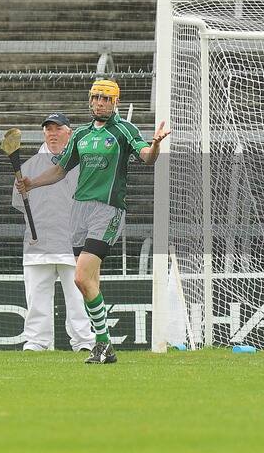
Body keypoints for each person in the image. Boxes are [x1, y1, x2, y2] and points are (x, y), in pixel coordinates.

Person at [15, 80, 170, 364]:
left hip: (107, 210)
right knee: (88, 283)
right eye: (96, 97)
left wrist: (156, 144)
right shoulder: (82, 135)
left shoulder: (124, 130)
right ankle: (103, 346)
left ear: (115, 103)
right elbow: (60, 170)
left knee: (80, 277)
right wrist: (32, 183)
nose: (100, 102)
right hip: (80, 211)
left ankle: (102, 343)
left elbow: (146, 157)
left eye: (106, 99)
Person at [11, 112, 95, 352]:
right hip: (38, 244)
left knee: (78, 299)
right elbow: (20, 203)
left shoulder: (84, 163)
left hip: (75, 244)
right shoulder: (28, 166)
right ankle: (37, 341)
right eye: (48, 129)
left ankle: (84, 341)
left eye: (58, 129)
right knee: (36, 299)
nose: (53, 134)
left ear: (69, 132)